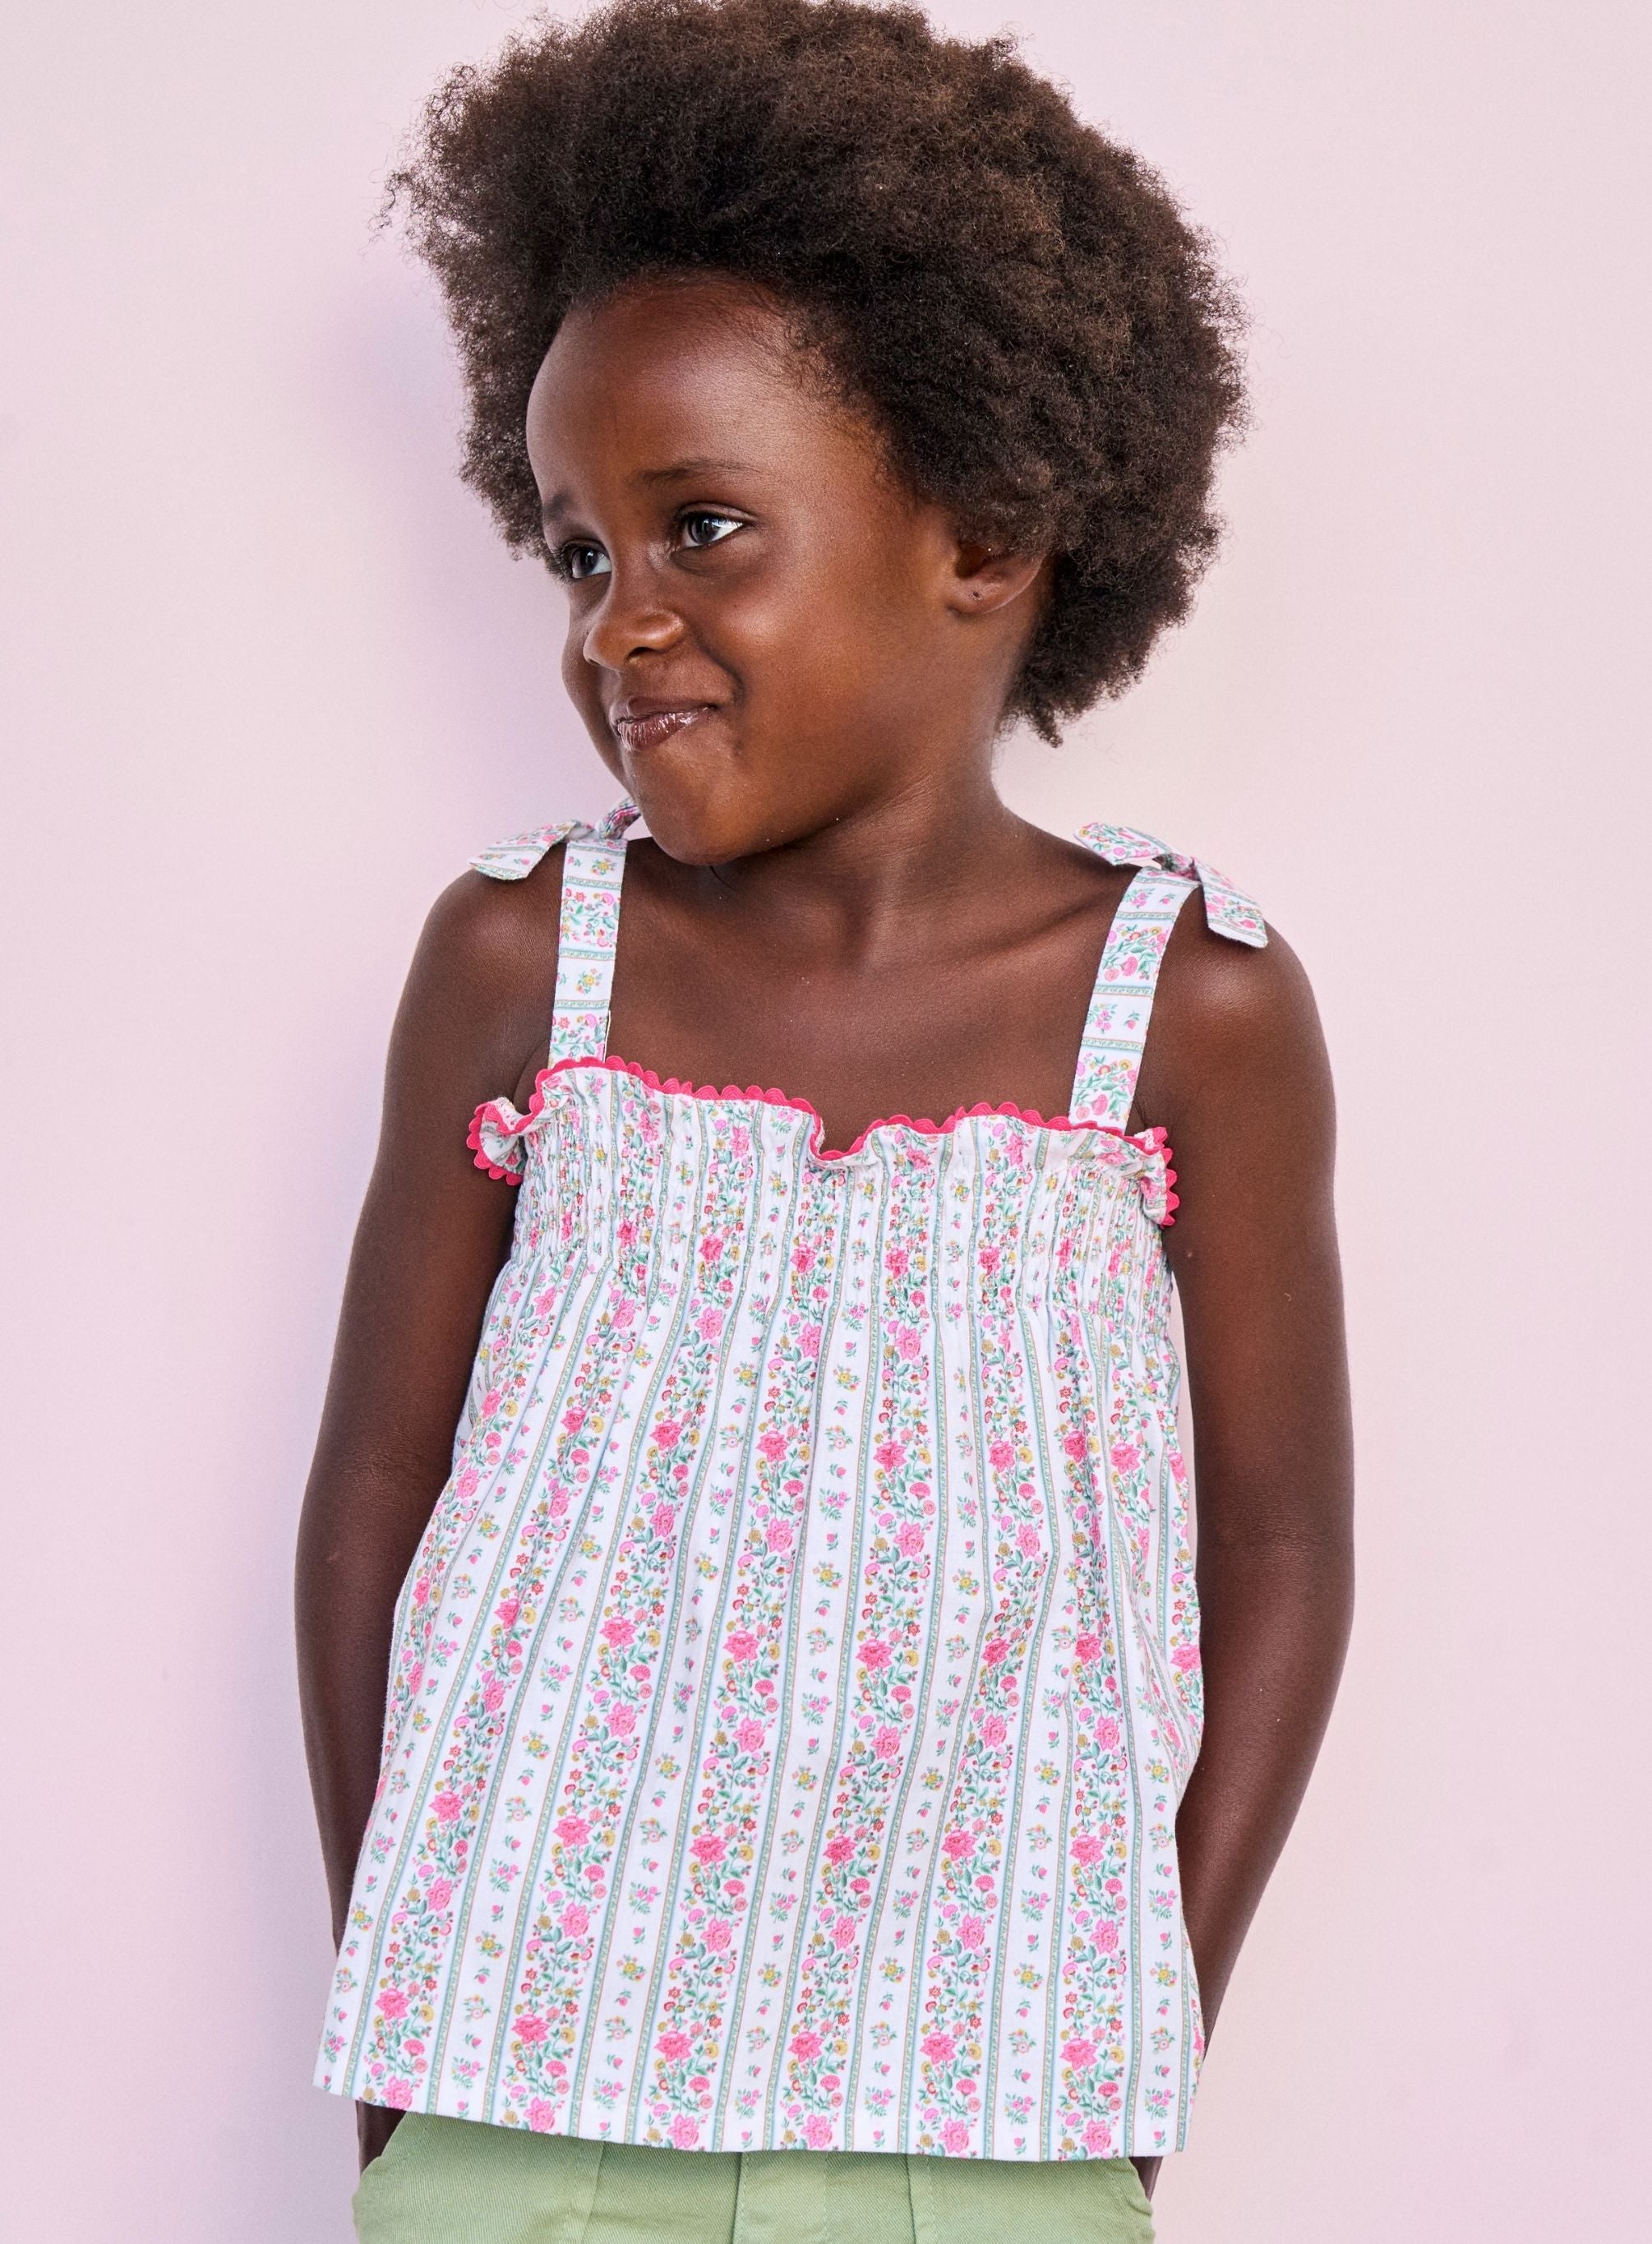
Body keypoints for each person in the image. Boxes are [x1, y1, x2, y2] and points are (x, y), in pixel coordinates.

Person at [296, 2, 1354, 2237]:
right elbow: (377, 1488)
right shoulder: (524, 962)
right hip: (509, 2082)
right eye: (581, 553)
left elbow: (1278, 1548)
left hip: (981, 2125)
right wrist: (394, 2025)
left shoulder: (1187, 1007)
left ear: (985, 531)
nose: (622, 627)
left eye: (701, 529)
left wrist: (1135, 2035)